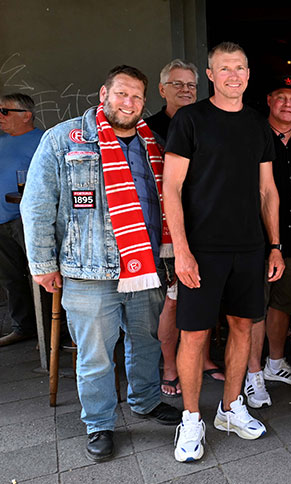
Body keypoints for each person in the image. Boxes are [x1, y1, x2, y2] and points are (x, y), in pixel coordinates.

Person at [21, 66, 182, 462]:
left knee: (146, 343)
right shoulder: (63, 139)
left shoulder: (154, 143)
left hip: (145, 266)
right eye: (121, 94)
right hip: (87, 270)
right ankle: (99, 423)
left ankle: (144, 400)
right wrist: (43, 263)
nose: (128, 103)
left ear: (145, 102)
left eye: (137, 97)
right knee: (95, 355)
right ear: (104, 93)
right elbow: (38, 204)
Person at [163, 42, 283, 463]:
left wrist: (275, 246)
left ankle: (231, 408)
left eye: (240, 68)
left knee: (243, 328)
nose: (234, 75)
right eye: (224, 68)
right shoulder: (190, 121)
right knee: (194, 335)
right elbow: (171, 188)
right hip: (201, 250)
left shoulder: (257, 124)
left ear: (248, 74)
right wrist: (182, 250)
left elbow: (268, 191)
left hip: (249, 248)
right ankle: (192, 418)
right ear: (210, 76)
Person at [143, 59, 223, 398]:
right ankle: (170, 365)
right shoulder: (148, 129)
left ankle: (203, 358)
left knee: (202, 300)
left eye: (191, 85)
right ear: (162, 90)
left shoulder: (207, 120)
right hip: (165, 229)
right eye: (178, 84)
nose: (186, 90)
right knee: (173, 303)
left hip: (204, 225)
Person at [244, 75, 291, 409]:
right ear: (269, 99)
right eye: (282, 98)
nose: (288, 105)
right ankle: (253, 374)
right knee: (255, 305)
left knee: (283, 304)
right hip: (257, 238)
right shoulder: (253, 134)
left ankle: (275, 363)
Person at [0, 93, 42, 347]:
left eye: (5, 111)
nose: (0, 116)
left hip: (26, 219)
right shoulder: (2, 141)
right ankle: (23, 327)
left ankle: (50, 331)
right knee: (10, 277)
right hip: (2, 219)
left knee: (41, 275)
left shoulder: (42, 141)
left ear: (26, 115)